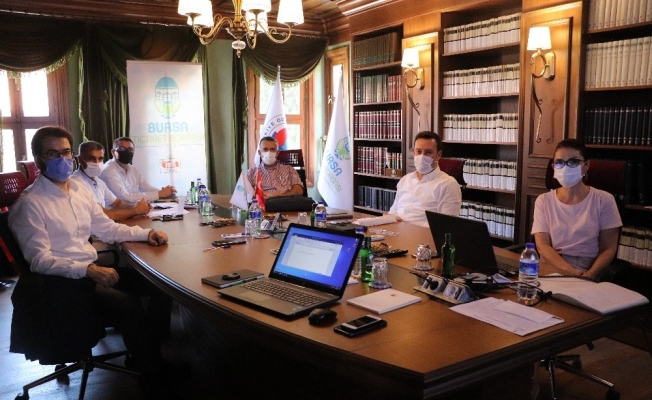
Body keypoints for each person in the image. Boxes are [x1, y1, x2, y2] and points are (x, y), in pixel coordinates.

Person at [9, 126, 174, 395]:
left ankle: (147, 356)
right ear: (38, 159)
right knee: (128, 304)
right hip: (59, 283)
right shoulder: (30, 203)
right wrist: (87, 270)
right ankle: (151, 373)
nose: (61, 159)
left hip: (91, 271)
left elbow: (106, 228)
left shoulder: (78, 190)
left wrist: (147, 233)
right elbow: (40, 260)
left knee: (159, 287)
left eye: (65, 152)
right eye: (52, 153)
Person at [531, 138, 622, 281]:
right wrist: (570, 272)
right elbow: (542, 246)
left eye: (573, 162)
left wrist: (590, 274)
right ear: (553, 167)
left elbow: (608, 249)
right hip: (552, 265)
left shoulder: (604, 200)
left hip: (587, 269)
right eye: (559, 162)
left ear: (586, 166)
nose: (565, 167)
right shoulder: (543, 201)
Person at [388, 131, 462, 227]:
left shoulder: (448, 184)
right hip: (396, 232)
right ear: (414, 152)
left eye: (428, 152)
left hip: (422, 235)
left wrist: (408, 227)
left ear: (438, 155)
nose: (422, 156)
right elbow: (393, 211)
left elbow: (446, 226)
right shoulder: (405, 180)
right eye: (418, 151)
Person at [72, 140, 151, 221]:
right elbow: (104, 214)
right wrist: (136, 210)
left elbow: (117, 203)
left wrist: (138, 205)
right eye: (92, 159)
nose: (97, 163)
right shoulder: (76, 183)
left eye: (100, 159)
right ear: (79, 159)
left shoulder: (99, 182)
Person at [100, 137, 176, 204]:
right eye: (122, 149)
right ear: (113, 152)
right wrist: (160, 194)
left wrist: (166, 192)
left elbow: (147, 188)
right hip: (116, 213)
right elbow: (125, 198)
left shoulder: (133, 170)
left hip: (135, 211)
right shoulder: (108, 170)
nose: (127, 152)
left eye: (130, 149)